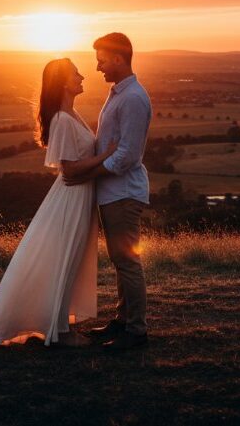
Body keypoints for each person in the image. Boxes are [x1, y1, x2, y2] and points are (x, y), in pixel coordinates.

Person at [0, 58, 116, 347]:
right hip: (71, 198)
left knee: (70, 259)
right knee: (65, 259)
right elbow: (69, 169)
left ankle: (58, 323)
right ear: (64, 82)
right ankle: (60, 333)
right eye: (76, 73)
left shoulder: (71, 114)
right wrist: (108, 155)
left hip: (79, 196)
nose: (82, 77)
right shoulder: (62, 119)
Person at [64, 32, 152, 351]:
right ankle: (122, 321)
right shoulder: (119, 93)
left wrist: (89, 172)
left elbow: (127, 155)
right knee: (120, 260)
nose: (97, 67)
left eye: (101, 60)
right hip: (112, 192)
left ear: (117, 58)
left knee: (127, 261)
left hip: (123, 193)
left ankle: (136, 331)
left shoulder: (133, 98)